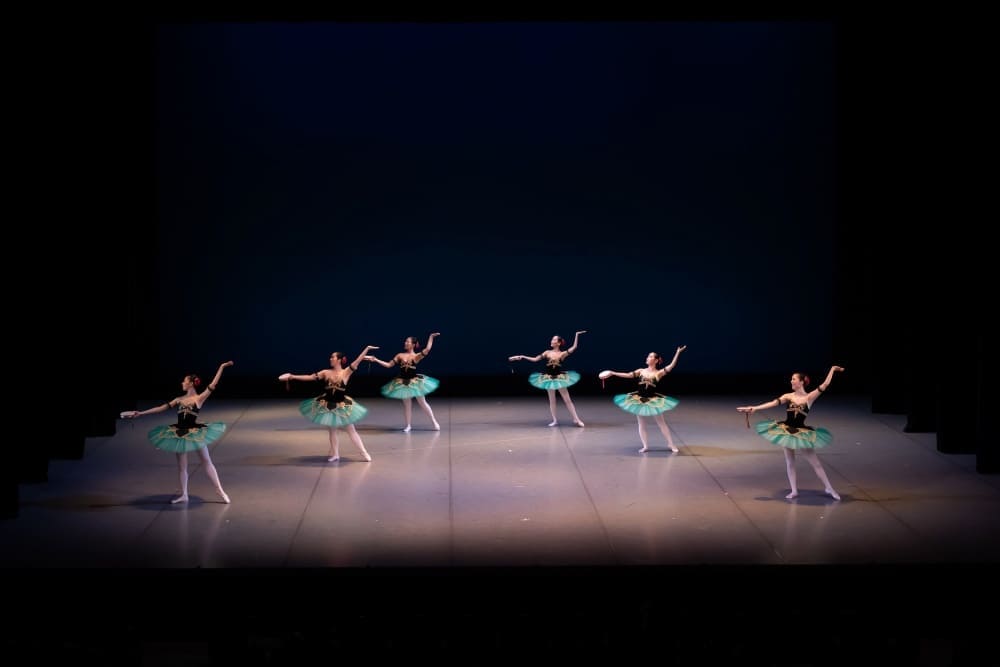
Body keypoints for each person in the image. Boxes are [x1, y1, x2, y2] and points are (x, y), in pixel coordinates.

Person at [120, 361, 234, 504]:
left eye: (184, 381)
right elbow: (161, 408)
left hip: (195, 433)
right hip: (179, 434)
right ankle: (184, 494)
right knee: (182, 466)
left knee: (206, 461)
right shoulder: (179, 399)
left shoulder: (198, 399)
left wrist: (222, 367)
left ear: (191, 384)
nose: (182, 383)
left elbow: (213, 385)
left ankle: (220, 490)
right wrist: (141, 413)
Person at [737, 366, 845, 500]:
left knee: (816, 463)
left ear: (801, 382)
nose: (791, 381)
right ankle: (794, 491)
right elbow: (772, 403)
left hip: (801, 433)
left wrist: (832, 369)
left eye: (794, 379)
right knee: (790, 462)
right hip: (786, 431)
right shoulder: (788, 396)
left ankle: (829, 488)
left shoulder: (809, 397)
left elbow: (825, 385)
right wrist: (754, 408)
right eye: (791, 379)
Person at [279, 345, 378, 462]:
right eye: (331, 357)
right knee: (332, 431)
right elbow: (310, 377)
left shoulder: (346, 372)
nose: (330, 359)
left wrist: (367, 349)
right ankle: (335, 454)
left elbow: (358, 360)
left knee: (351, 430)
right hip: (328, 405)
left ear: (339, 360)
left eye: (333, 357)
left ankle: (364, 452)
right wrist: (292, 376)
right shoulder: (325, 372)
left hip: (342, 406)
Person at [599, 346, 686, 453]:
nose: (647, 358)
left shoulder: (658, 373)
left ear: (656, 360)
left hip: (654, 401)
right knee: (641, 423)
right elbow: (628, 375)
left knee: (661, 423)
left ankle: (671, 444)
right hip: (638, 399)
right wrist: (613, 373)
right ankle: (645, 446)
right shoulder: (641, 371)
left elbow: (671, 366)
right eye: (648, 356)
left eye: (650, 357)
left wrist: (677, 353)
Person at [364, 332, 441, 432]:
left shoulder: (416, 356)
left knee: (422, 402)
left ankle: (434, 421)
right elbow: (388, 365)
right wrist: (376, 360)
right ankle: (408, 425)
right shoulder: (400, 355)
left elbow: (427, 349)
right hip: (403, 383)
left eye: (408, 342)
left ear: (413, 344)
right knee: (407, 404)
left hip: (415, 382)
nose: (405, 343)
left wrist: (431, 337)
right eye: (405, 341)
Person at [509, 330, 587, 427]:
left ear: (558, 343)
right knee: (552, 400)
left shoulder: (562, 354)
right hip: (548, 378)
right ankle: (554, 420)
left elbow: (574, 347)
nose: (551, 341)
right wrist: (522, 356)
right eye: (552, 339)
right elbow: (535, 359)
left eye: (554, 340)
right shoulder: (547, 352)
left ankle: (576, 419)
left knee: (567, 400)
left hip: (559, 378)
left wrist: (576, 335)